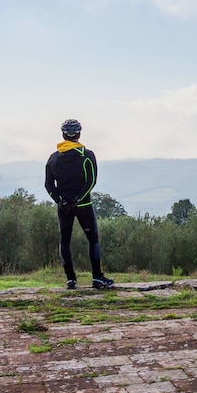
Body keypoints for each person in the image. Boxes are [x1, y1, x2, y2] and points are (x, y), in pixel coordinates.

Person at [44, 119, 114, 290]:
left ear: (63, 135)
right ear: (79, 134)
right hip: (84, 205)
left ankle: (70, 280)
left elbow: (48, 185)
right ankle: (97, 278)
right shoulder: (87, 155)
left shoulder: (53, 158)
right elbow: (91, 181)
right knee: (93, 239)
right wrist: (78, 198)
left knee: (65, 241)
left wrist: (60, 201)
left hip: (63, 208)